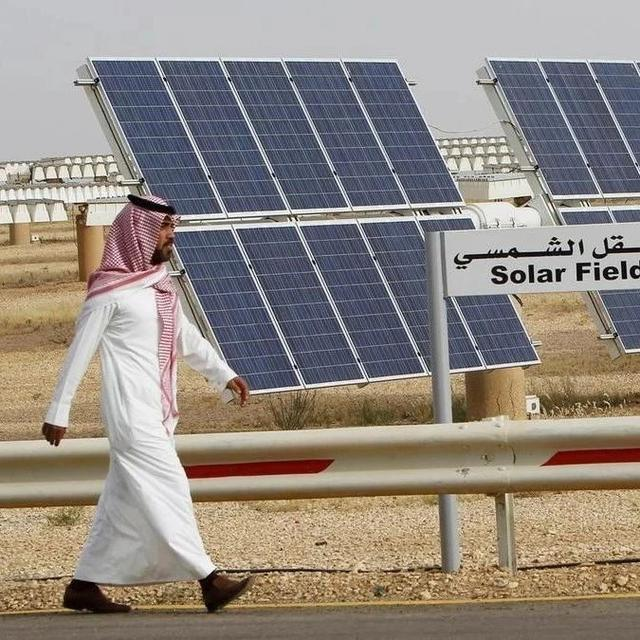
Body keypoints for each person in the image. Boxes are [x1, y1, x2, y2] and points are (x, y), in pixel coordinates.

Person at [42, 194, 252, 614]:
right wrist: (58, 411)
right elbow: (79, 353)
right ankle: (209, 579)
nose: (171, 235)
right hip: (129, 413)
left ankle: (83, 585)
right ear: (140, 233)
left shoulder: (159, 285)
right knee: (170, 485)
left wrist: (223, 374)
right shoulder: (109, 293)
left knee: (121, 502)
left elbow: (186, 339)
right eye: (165, 228)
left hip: (158, 411)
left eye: (172, 227)